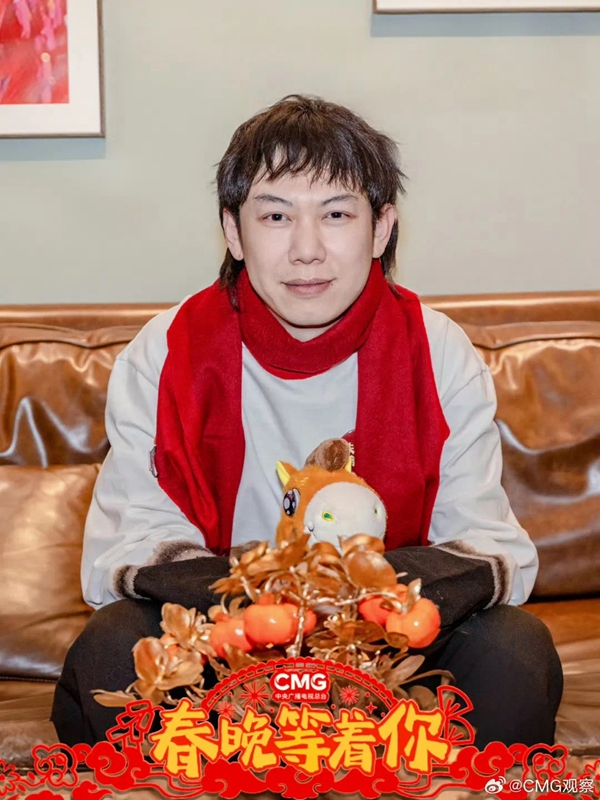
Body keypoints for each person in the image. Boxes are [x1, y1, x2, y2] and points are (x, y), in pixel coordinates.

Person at [51, 95, 563, 749]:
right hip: (222, 634)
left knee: (516, 654)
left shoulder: (436, 350)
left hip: (391, 639)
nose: (307, 250)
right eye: (275, 216)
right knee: (112, 648)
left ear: (381, 228)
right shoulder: (168, 350)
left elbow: (488, 548)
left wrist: (348, 598)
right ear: (233, 232)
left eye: (337, 214)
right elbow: (128, 551)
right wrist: (276, 598)